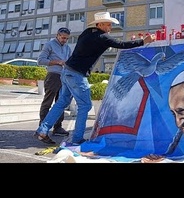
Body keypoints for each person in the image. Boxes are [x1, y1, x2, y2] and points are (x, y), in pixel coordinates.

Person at [34, 11, 156, 145]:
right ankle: (77, 139)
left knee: (61, 102)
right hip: (77, 74)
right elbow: (121, 45)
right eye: (108, 25)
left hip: (67, 71)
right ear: (101, 24)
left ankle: (42, 130)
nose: (110, 28)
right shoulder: (102, 37)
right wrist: (144, 41)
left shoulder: (87, 32)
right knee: (85, 105)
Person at [37, 27, 72, 137]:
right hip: (53, 76)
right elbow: (40, 61)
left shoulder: (67, 48)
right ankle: (42, 126)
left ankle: (58, 127)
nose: (64, 40)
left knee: (60, 103)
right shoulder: (49, 45)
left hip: (64, 77)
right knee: (48, 102)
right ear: (57, 35)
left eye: (66, 38)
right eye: (62, 38)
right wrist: (57, 62)